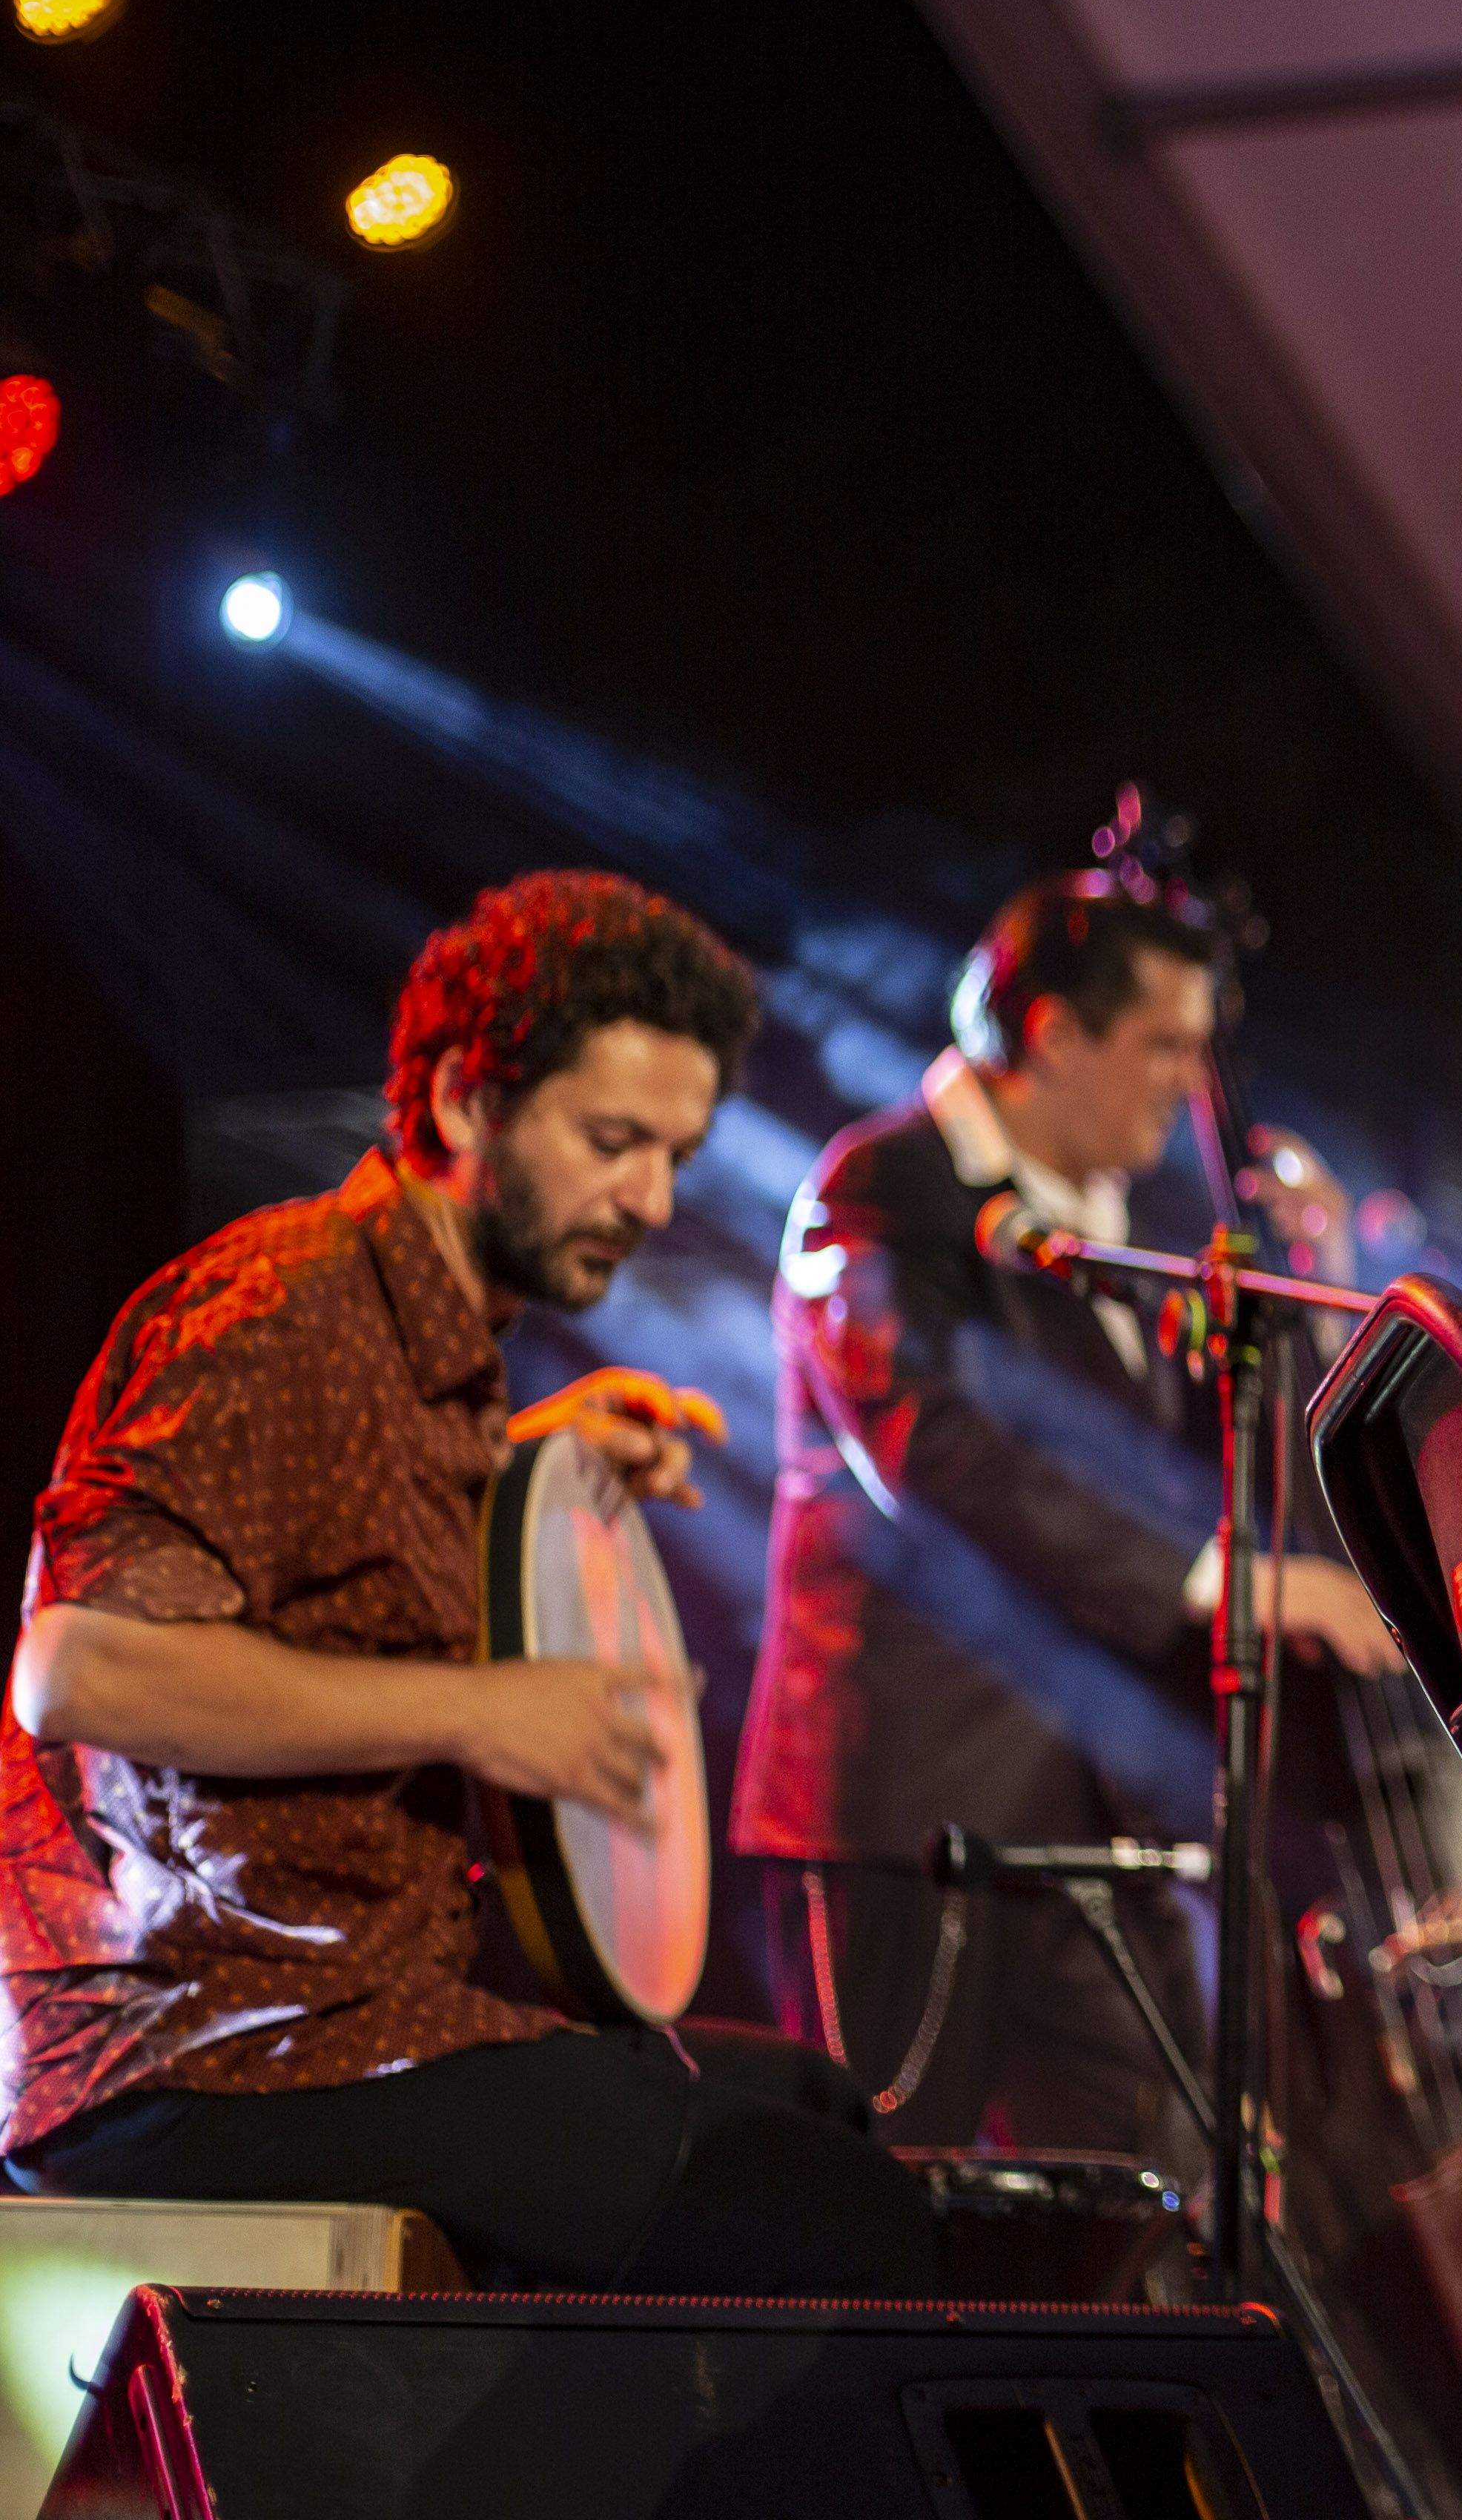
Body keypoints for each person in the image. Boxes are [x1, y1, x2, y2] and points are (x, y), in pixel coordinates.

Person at [0, 871, 939, 2292]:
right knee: (829, 2218)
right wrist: (482, 1710)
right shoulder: (286, 1305)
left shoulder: (424, 1356)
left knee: (815, 2108)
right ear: (458, 1105)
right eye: (614, 1141)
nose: (654, 1198)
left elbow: (322, 1560)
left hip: (347, 2020)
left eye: (676, 1153)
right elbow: (82, 1671)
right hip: (204, 2047)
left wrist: (526, 1471)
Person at [735, 871, 1403, 2157]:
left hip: (1103, 1809)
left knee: (1150, 2181)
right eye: (1165, 1043)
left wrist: (1308, 1293)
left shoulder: (1142, 1218)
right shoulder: (879, 1192)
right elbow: (942, 1452)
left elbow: (1208, 1469)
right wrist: (1233, 1586)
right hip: (913, 1816)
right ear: (1052, 1035)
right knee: (884, 2201)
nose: (1190, 1083)